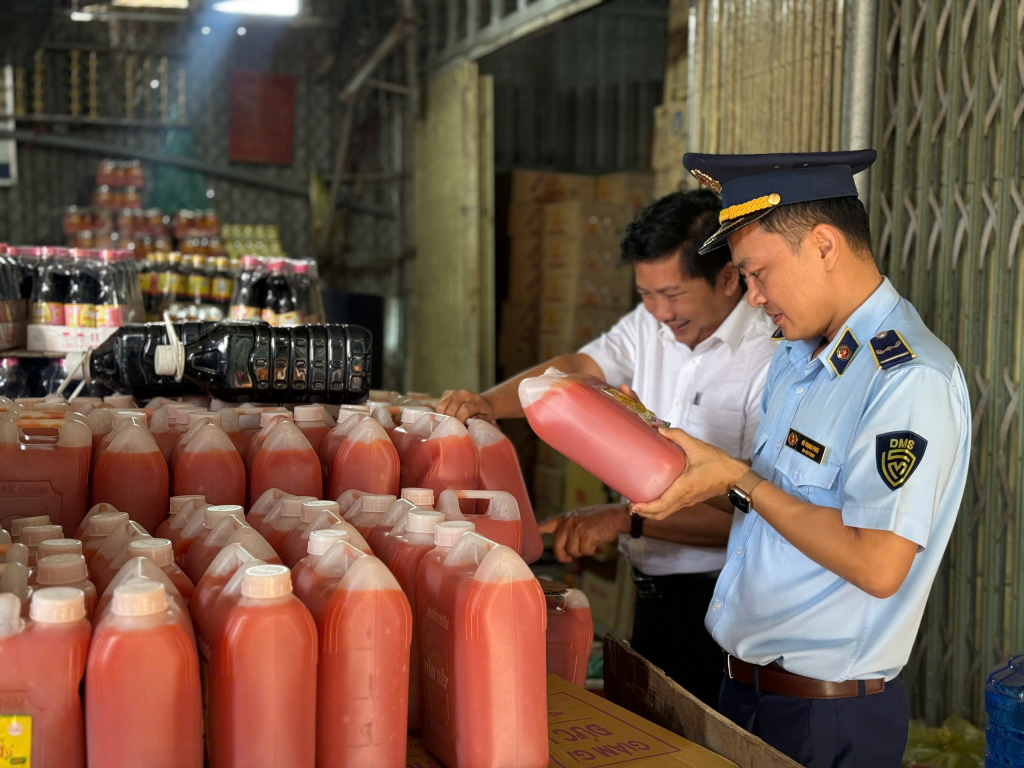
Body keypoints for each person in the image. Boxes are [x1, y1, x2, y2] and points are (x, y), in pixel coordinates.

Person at [628, 150, 970, 767]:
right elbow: (779, 510)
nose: (752, 298)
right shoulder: (797, 358)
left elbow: (877, 564)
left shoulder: (906, 379)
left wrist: (739, 479)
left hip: (825, 715)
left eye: (758, 273)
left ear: (823, 244)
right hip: (746, 690)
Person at [437, 189, 776, 707]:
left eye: (673, 293)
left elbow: (758, 511)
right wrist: (488, 404)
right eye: (646, 294)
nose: (660, 311)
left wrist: (623, 519)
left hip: (722, 604)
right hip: (652, 592)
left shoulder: (768, 359)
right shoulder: (648, 327)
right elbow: (578, 372)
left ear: (728, 277)